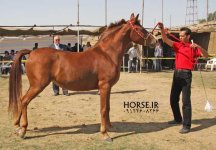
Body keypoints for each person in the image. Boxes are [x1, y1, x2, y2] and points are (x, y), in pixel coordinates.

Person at [158, 22, 209, 134]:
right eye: (179, 36)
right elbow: (166, 40)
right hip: (176, 74)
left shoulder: (193, 47)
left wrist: (199, 46)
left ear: (188, 36)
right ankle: (177, 119)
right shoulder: (178, 45)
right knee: (173, 99)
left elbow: (206, 56)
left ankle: (186, 126)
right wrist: (161, 29)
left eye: (182, 36)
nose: (180, 37)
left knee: (185, 102)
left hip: (186, 76)